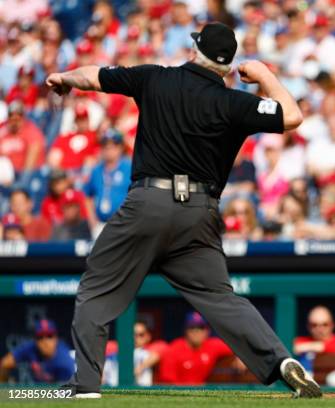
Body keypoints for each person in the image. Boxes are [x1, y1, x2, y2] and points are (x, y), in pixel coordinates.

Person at [45, 22, 320, 398]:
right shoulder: (233, 102)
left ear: (196, 50)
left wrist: (65, 77)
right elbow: (292, 116)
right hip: (200, 214)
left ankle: (86, 385)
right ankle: (280, 361)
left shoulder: (155, 78)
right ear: (226, 66)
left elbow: (94, 76)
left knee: (96, 289)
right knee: (221, 298)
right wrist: (265, 75)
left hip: (149, 202)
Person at [158, 312, 237, 385]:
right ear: (185, 330)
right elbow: (167, 384)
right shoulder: (174, 349)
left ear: (208, 331)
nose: (196, 331)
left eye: (201, 327)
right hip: (179, 395)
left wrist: (241, 358)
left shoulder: (212, 345)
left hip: (200, 394)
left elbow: (237, 348)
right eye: (192, 327)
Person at [293, 306, 335, 387]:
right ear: (308, 326)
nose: (319, 329)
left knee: (334, 378)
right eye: (314, 325)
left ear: (332, 325)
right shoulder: (302, 340)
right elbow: (293, 347)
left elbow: (326, 347)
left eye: (325, 324)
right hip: (311, 384)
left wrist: (311, 347)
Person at [84, 128, 131, 229]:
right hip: (101, 224)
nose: (109, 147)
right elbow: (87, 196)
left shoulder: (129, 167)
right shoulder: (96, 170)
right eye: (105, 145)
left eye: (114, 144)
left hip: (124, 225)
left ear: (121, 147)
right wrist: (93, 222)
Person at [0, 319, 74, 384]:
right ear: (35, 339)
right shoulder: (32, 347)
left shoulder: (64, 361)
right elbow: (5, 363)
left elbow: (68, 392)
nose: (45, 341)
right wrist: (5, 387)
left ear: (56, 338)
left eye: (49, 336)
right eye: (40, 337)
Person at [133, 320, 168, 386]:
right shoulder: (121, 348)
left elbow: (160, 350)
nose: (136, 338)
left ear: (148, 336)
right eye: (133, 334)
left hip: (150, 390)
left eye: (141, 335)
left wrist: (140, 368)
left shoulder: (156, 346)